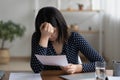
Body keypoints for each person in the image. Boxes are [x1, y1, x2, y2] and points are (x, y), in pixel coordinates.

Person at [30, 6, 104, 74]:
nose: (50, 35)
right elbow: (36, 69)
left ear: (60, 26)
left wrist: (78, 68)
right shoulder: (37, 37)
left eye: (53, 31)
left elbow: (101, 63)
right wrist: (44, 37)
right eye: (46, 32)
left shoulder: (74, 38)